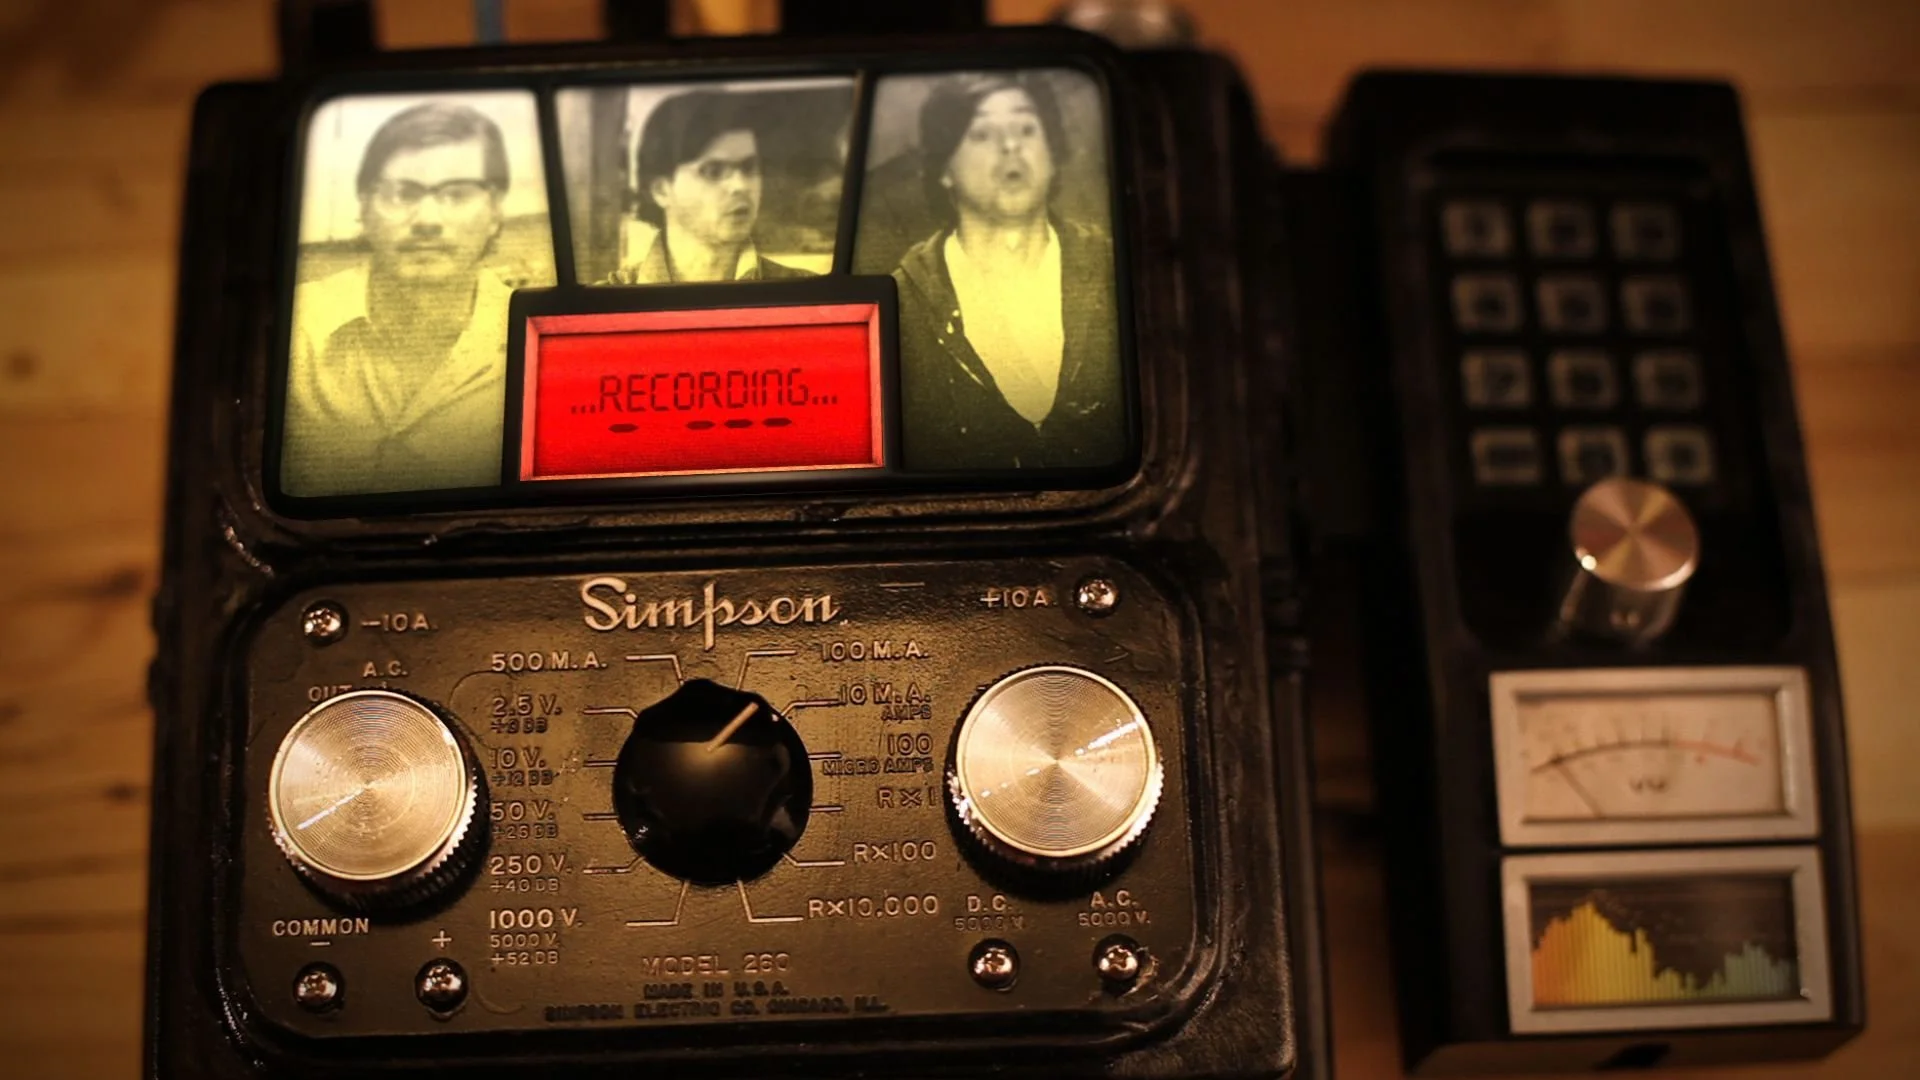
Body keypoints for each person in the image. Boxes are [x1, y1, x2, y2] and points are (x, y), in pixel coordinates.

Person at [282, 100, 526, 496]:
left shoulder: (536, 338)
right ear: (364, 206)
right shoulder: (299, 323)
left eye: (457, 194)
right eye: (401, 193)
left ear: (496, 211)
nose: (427, 220)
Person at [892, 73, 1124, 471]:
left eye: (1027, 128)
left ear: (1052, 153)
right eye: (982, 134)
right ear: (943, 168)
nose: (1011, 146)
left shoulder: (1111, 267)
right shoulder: (904, 299)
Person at [607, 90, 812, 284]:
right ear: (661, 190)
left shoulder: (804, 292)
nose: (740, 186)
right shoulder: (611, 301)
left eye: (749, 167)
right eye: (713, 171)